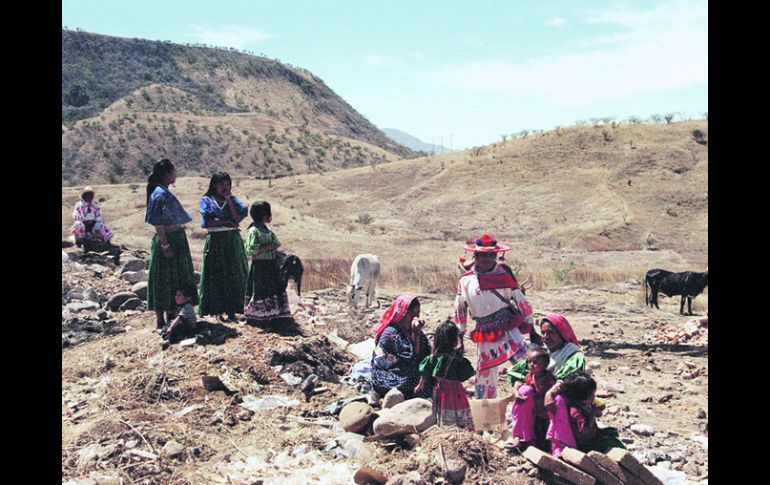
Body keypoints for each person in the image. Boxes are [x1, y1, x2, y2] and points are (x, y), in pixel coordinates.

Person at [453, 234, 535, 399]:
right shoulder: (466, 280)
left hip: (507, 326)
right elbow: (460, 308)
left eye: (490, 255)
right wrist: (459, 333)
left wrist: (530, 324)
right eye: (481, 255)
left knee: (526, 363)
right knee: (485, 373)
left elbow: (520, 300)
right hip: (484, 331)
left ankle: (534, 397)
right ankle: (486, 415)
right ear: (474, 256)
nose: (485, 259)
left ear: (496, 256)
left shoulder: (504, 276)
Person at [507, 313, 586, 455]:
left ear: (562, 333)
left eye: (551, 333)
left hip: (565, 397)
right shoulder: (542, 353)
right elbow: (520, 371)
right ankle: (522, 438)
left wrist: (551, 392)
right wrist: (517, 386)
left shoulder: (572, 354)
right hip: (540, 397)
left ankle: (561, 446)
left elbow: (571, 378)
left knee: (557, 400)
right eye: (543, 333)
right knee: (525, 391)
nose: (545, 337)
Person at [145, 159, 197, 330]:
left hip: (175, 239)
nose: (176, 174)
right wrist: (165, 245)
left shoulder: (162, 192)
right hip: (168, 240)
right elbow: (159, 224)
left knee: (173, 277)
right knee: (164, 278)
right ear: (167, 174)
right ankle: (161, 319)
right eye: (174, 171)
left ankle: (171, 316)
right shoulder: (159, 194)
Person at [197, 172, 249, 322]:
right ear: (214, 185)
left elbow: (237, 219)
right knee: (216, 274)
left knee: (234, 273)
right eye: (222, 185)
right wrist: (226, 223)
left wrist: (229, 203)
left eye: (228, 184)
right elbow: (207, 223)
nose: (225, 188)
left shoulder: (233, 201)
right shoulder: (207, 200)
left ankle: (232, 311)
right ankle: (216, 310)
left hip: (232, 240)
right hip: (215, 240)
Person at [415, 321, 476, 430]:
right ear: (454, 339)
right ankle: (460, 427)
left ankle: (444, 427)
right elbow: (464, 374)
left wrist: (421, 383)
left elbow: (425, 370)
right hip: (455, 389)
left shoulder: (433, 357)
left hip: (439, 389)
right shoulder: (456, 358)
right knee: (457, 408)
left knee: (442, 408)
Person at [371, 295, 432, 400]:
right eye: (411, 314)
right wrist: (416, 335)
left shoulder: (413, 329)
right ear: (401, 314)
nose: (415, 318)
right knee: (412, 380)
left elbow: (426, 354)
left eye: (417, 313)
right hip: (387, 375)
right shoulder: (391, 333)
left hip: (406, 371)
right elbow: (410, 359)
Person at [547, 372, 625, 453]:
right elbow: (585, 433)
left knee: (612, 432)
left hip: (593, 436)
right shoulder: (575, 412)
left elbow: (600, 411)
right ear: (580, 397)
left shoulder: (586, 403)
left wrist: (597, 410)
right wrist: (592, 415)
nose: (593, 397)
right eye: (591, 395)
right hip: (586, 444)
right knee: (611, 442)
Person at [244, 201, 290, 322]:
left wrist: (271, 246)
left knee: (271, 288)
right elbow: (250, 249)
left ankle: (272, 313)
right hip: (259, 265)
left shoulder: (267, 230)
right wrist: (266, 247)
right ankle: (258, 315)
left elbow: (277, 243)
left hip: (270, 264)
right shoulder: (253, 231)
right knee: (260, 288)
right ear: (264, 215)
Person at [510, 346, 556, 450]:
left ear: (545, 365)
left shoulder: (548, 379)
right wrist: (517, 391)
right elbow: (522, 386)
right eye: (529, 362)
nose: (531, 365)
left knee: (543, 435)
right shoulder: (530, 376)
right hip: (533, 411)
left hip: (545, 414)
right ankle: (523, 438)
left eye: (536, 362)